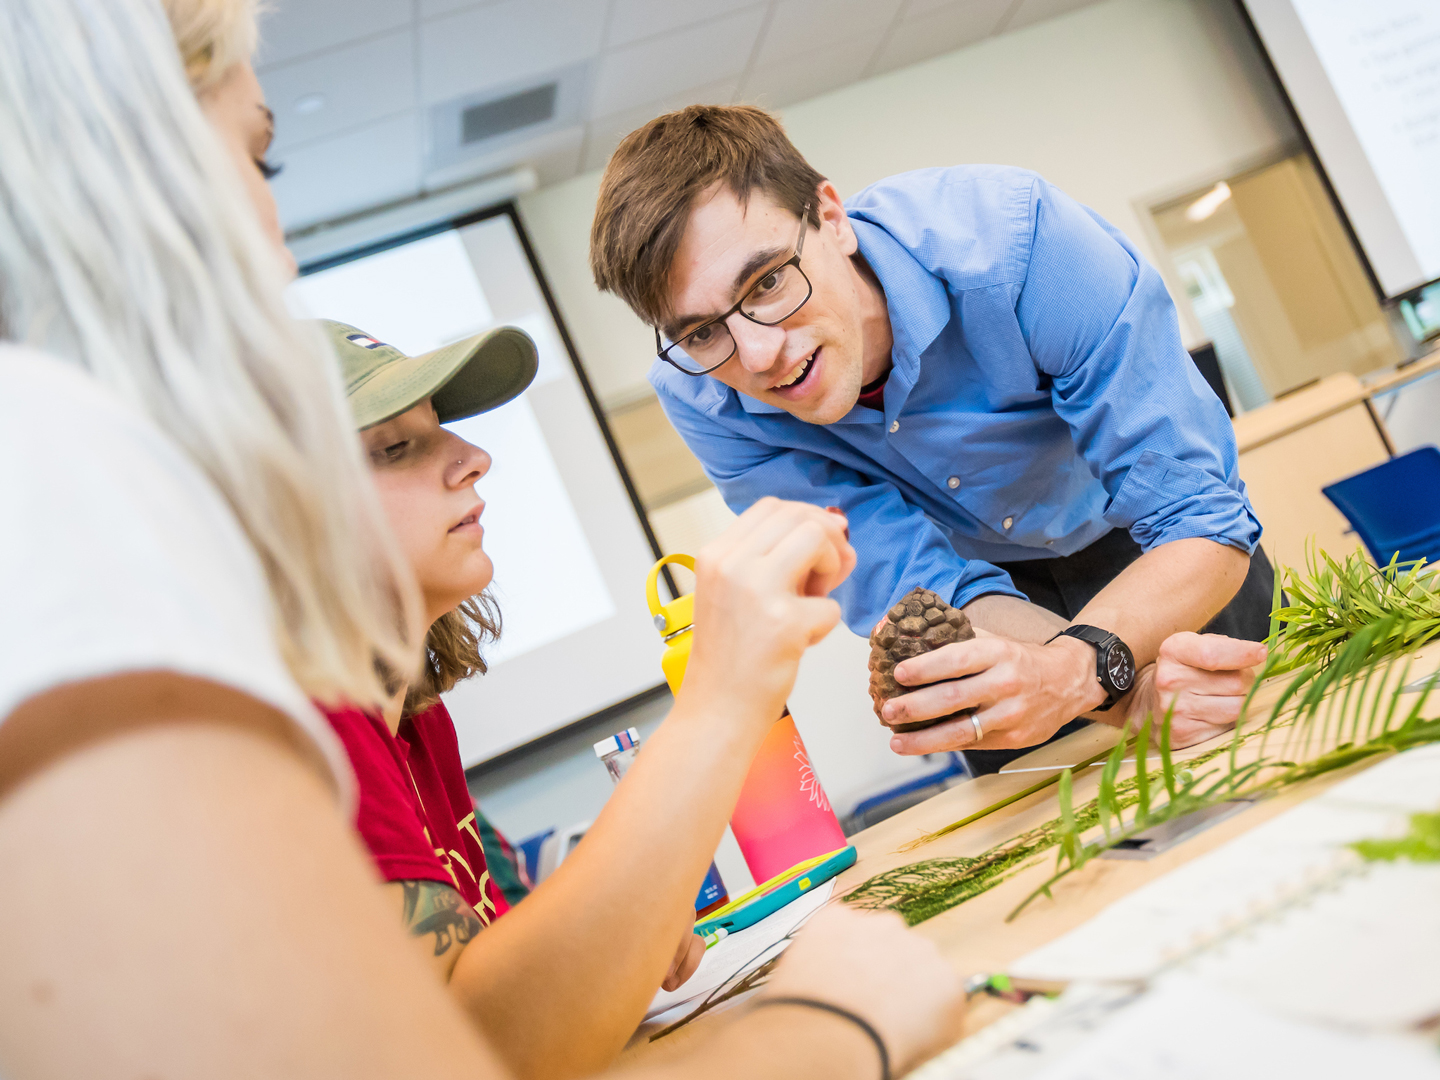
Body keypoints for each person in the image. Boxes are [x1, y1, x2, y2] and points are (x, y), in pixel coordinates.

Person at [0, 2, 964, 1079]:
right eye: (393, 448)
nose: (275, 251)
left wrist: (602, 932)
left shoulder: (405, 718)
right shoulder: (54, 477)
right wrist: (836, 1025)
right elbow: (475, 1046)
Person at [589, 105, 1277, 769]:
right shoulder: (706, 398)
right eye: (703, 330)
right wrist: (1118, 693)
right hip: (985, 621)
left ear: (831, 219)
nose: (759, 355)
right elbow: (918, 586)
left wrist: (1082, 670)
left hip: (1159, 560)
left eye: (767, 282)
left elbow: (1199, 517)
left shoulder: (1017, 241)